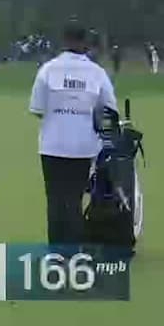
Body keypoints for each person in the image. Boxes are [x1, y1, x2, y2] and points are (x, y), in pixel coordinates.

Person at [28, 24, 119, 246]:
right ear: (85, 42)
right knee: (74, 201)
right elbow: (110, 110)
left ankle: (57, 255)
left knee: (56, 201)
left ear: (64, 41)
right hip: (83, 145)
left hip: (52, 146)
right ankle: (74, 253)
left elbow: (37, 109)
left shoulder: (48, 70)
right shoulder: (97, 73)